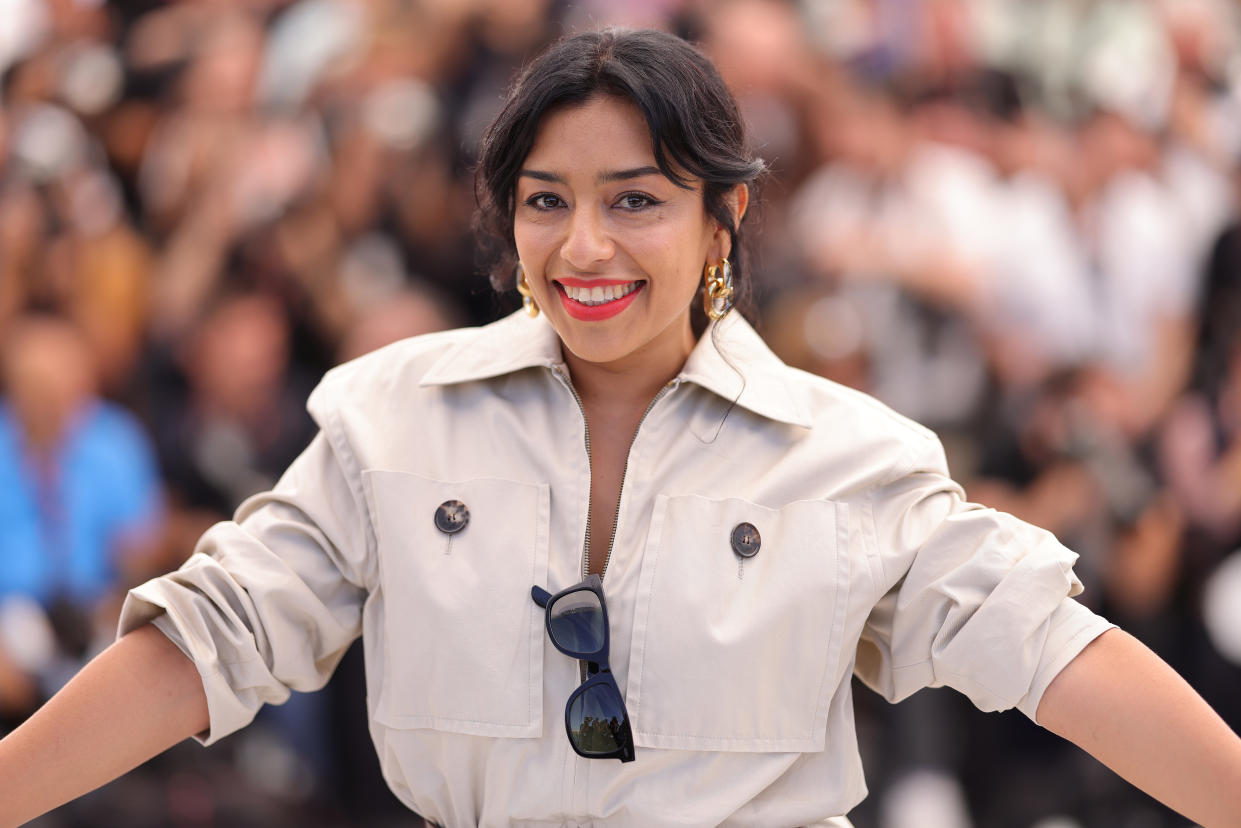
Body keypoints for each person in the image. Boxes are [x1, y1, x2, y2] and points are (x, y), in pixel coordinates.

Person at [1, 28, 1240, 828]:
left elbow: (1050, 652)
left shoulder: (849, 457)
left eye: (635, 201)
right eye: (547, 201)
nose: (582, 246)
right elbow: (214, 639)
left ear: (724, 214)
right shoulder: (391, 419)